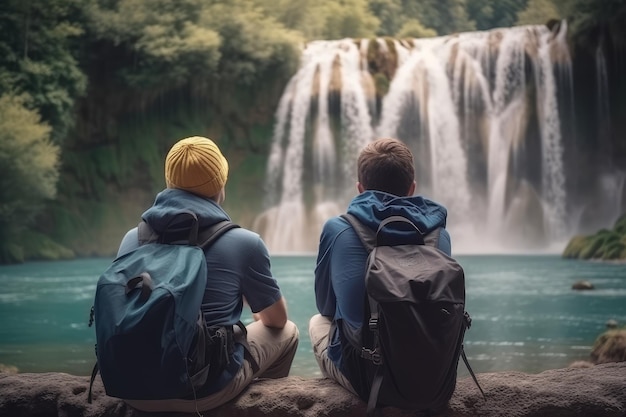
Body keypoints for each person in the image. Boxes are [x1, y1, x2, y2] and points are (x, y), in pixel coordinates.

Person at [117, 135, 299, 412]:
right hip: (201, 391)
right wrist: (254, 306)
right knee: (288, 331)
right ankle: (262, 408)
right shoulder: (244, 243)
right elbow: (276, 320)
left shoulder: (132, 239)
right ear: (220, 183)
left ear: (169, 182)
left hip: (130, 387)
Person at [309, 137, 452, 399]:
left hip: (366, 378)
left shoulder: (338, 230)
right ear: (412, 188)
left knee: (318, 322)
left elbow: (326, 307)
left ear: (360, 189)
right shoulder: (439, 236)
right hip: (431, 376)